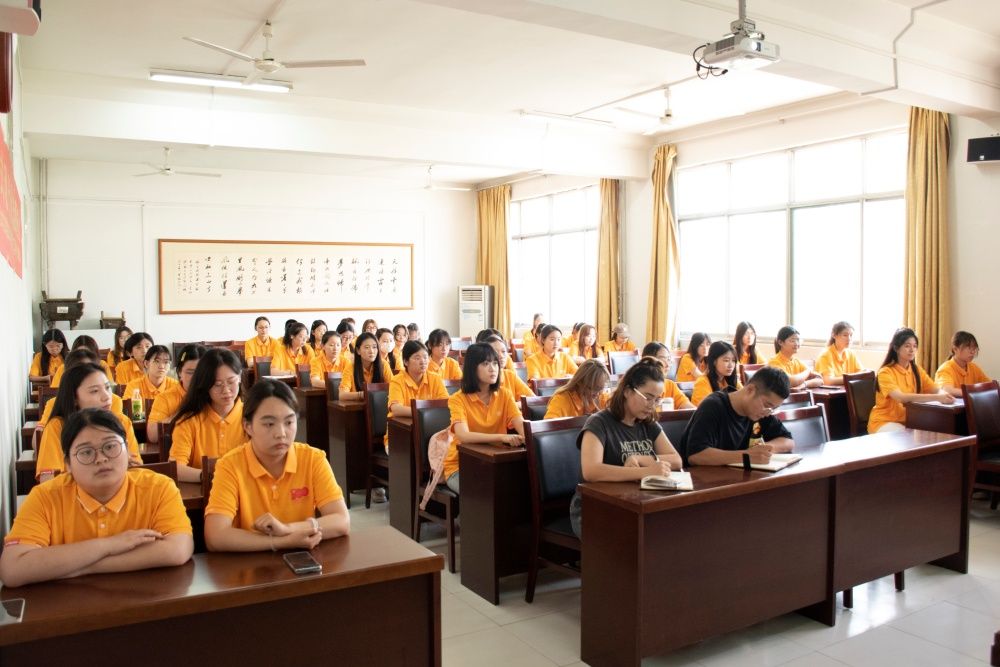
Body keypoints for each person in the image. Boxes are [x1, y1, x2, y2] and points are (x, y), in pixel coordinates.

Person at [1, 408, 193, 587]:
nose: (101, 458)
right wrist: (110, 545)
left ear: (127, 451)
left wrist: (86, 566)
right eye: (86, 452)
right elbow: (13, 568)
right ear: (67, 463)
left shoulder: (158, 487)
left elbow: (178, 548)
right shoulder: (45, 497)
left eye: (110, 446)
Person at [203, 380, 350, 552]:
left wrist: (289, 529)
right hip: (250, 563)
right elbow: (215, 536)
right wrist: (283, 542)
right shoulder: (230, 465)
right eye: (269, 424)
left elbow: (341, 520)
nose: (281, 433)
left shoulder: (313, 459)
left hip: (305, 557)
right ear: (247, 426)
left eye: (289, 422)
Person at [569, 358, 683, 537]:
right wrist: (644, 472)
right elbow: (591, 471)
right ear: (628, 391)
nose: (651, 405)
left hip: (638, 503)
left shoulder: (647, 423)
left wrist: (640, 459)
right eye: (648, 398)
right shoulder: (599, 422)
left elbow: (676, 460)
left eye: (657, 400)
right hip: (595, 508)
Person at [35, 363, 143, 482]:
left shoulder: (122, 421)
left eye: (107, 388)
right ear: (74, 398)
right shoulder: (57, 426)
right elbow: (48, 479)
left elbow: (136, 471)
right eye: (95, 391)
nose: (106, 397)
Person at [443, 343, 525, 493]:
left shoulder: (505, 394)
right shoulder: (457, 399)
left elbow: (520, 424)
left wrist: (528, 437)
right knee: (485, 495)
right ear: (472, 368)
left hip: (494, 462)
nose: (493, 368)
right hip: (461, 466)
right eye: (486, 364)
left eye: (495, 363)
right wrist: (502, 437)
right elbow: (463, 435)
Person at [679, 366, 795, 466]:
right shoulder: (713, 406)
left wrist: (764, 450)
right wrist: (746, 456)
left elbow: (788, 441)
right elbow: (696, 455)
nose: (768, 412)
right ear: (750, 390)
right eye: (767, 405)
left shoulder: (762, 412)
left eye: (774, 408)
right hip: (704, 480)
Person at [169, 349, 247, 483]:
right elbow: (175, 468)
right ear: (205, 385)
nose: (226, 390)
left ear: (239, 377)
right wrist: (209, 476)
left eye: (231, 382)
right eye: (217, 384)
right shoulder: (189, 421)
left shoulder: (252, 416)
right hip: (202, 492)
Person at [868, 328, 954, 433]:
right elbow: (901, 397)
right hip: (883, 422)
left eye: (915, 346)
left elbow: (935, 389)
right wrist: (937, 398)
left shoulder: (916, 370)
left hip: (910, 421)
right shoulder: (885, 372)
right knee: (910, 436)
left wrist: (944, 394)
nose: (912, 350)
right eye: (907, 346)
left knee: (938, 430)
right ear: (896, 348)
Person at [148, 344, 205, 444]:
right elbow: (153, 436)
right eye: (190, 372)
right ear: (179, 372)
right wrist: (181, 413)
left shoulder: (215, 394)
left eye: (201, 372)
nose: (196, 378)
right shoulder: (165, 398)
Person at [544, 359, 610, 419]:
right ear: (580, 382)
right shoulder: (561, 400)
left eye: (601, 389)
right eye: (593, 388)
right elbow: (549, 426)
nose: (598, 394)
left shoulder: (603, 396)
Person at [936, 331, 991, 398]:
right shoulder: (945, 369)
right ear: (955, 349)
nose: (972, 352)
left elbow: (990, 386)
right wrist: (973, 393)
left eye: (974, 348)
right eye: (969, 348)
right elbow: (947, 390)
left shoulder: (973, 367)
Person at [339, 331, 392, 401]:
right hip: (358, 406)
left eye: (374, 347)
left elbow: (393, 388)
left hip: (380, 405)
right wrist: (364, 394)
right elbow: (342, 395)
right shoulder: (351, 367)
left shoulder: (383, 365)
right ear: (358, 350)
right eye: (367, 347)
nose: (371, 351)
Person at [642, 342, 694, 409]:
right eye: (662, 359)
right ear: (648, 361)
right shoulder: (639, 387)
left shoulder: (670, 385)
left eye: (668, 359)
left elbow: (690, 409)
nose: (667, 364)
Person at [484, 335, 534, 401]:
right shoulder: (483, 379)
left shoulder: (510, 376)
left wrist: (513, 405)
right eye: (495, 352)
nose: (501, 356)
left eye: (503, 351)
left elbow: (532, 399)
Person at [691, 341, 742, 406]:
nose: (731, 365)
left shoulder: (730, 380)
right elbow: (708, 408)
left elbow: (745, 397)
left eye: (733, 361)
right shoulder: (702, 382)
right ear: (714, 361)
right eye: (726, 360)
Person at [814, 321, 865, 386]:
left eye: (851, 335)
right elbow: (828, 381)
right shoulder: (826, 355)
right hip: (830, 391)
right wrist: (851, 378)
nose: (849, 339)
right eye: (845, 335)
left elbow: (862, 373)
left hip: (846, 390)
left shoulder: (851, 354)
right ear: (834, 335)